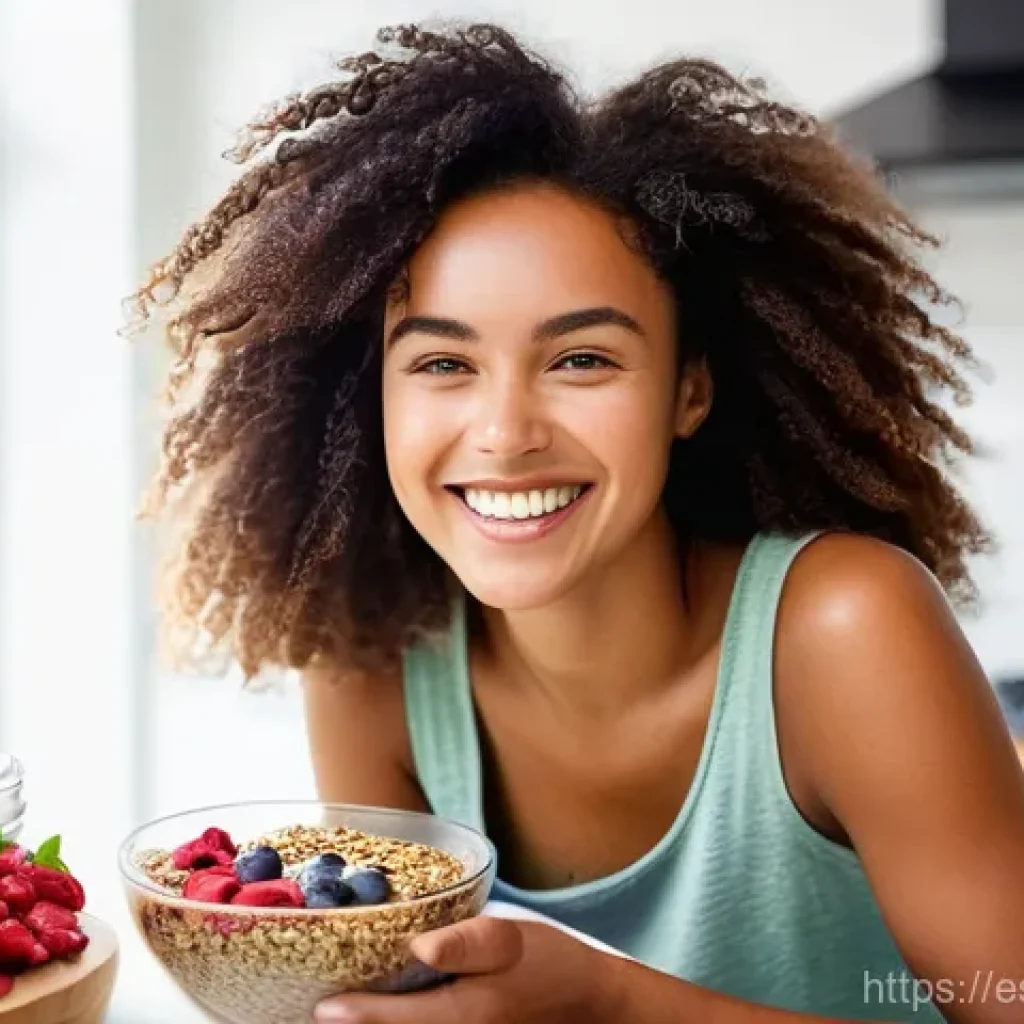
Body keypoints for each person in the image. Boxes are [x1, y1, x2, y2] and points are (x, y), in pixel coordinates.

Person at [129, 22, 1024, 1024]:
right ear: (365, 398)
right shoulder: (371, 662)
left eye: (580, 360)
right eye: (441, 364)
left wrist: (605, 1002)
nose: (505, 434)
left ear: (689, 389)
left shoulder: (845, 631)